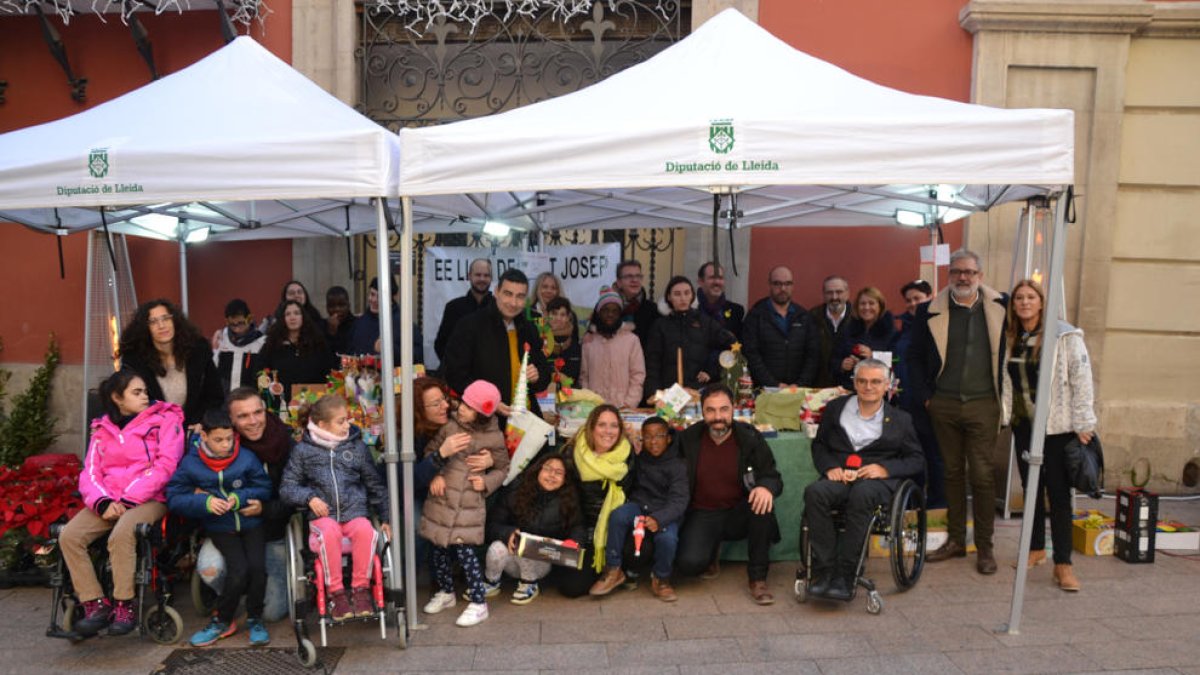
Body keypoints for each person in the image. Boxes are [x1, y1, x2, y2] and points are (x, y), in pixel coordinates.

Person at [61, 370, 184, 637]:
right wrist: (102, 502)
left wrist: (127, 499)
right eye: (136, 392)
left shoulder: (165, 419)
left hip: (150, 498)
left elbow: (166, 466)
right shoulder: (101, 428)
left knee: (123, 533)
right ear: (118, 398)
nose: (145, 396)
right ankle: (94, 604)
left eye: (145, 391)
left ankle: (123, 604)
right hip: (109, 499)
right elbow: (90, 471)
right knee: (69, 535)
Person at [906, 249, 1008, 575]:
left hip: (984, 403)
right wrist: (926, 398)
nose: (963, 277)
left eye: (969, 272)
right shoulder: (929, 311)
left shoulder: (1000, 308)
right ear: (949, 275)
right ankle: (955, 540)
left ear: (980, 275)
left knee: (980, 474)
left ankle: (985, 546)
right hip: (944, 403)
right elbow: (913, 358)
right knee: (950, 472)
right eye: (956, 272)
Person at [803, 358, 925, 601]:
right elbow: (820, 446)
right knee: (814, 492)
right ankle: (824, 570)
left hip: (877, 483)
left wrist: (884, 468)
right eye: (863, 381)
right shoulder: (836, 408)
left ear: (887, 385)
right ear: (855, 383)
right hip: (841, 476)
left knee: (863, 494)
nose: (869, 387)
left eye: (876, 382)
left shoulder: (901, 420)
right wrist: (830, 468)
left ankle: (846, 574)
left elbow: (916, 460)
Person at [1002, 279, 1096, 592]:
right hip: (1024, 425)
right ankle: (1036, 549)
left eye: (1030, 297)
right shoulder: (1013, 336)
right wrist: (1005, 416)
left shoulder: (1064, 335)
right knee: (1031, 490)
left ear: (1042, 302)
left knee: (1058, 496)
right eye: (1019, 298)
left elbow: (1081, 379)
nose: (1024, 302)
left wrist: (1084, 421)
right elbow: (1007, 381)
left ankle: (1064, 565)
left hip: (1056, 428)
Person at [167, 409, 273, 647]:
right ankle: (222, 619)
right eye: (218, 440)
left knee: (258, 570)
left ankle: (256, 618)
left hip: (251, 524)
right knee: (238, 571)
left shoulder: (246, 457)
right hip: (220, 527)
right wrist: (204, 502)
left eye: (229, 439)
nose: (225, 445)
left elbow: (264, 488)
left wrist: (241, 497)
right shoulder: (191, 463)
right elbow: (174, 497)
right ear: (203, 436)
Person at [280, 394, 390, 620]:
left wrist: (386, 517)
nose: (347, 425)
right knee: (329, 533)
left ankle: (360, 590)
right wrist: (309, 498)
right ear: (322, 425)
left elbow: (374, 484)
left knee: (366, 531)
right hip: (323, 517)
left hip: (354, 512)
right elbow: (287, 488)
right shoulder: (303, 451)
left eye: (347, 420)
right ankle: (336, 593)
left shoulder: (357, 448)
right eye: (341, 421)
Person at [674, 385, 782, 605]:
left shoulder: (749, 438)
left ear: (733, 409)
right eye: (711, 410)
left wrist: (765, 487)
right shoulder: (688, 439)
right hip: (702, 513)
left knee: (761, 505)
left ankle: (758, 578)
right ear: (701, 412)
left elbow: (771, 474)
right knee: (688, 565)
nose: (718, 417)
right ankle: (711, 551)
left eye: (724, 409)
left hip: (738, 511)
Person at [419, 380, 510, 627]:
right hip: (442, 500)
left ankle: (479, 603)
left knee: (465, 552)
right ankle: (447, 592)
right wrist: (436, 474)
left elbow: (504, 467)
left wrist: (488, 481)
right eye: (463, 403)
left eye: (470, 408)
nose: (462, 409)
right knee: (437, 548)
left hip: (468, 504)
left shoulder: (493, 436)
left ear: (481, 414)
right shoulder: (449, 426)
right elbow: (430, 451)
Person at [589, 417, 688, 602]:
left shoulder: (677, 465)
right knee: (618, 516)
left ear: (668, 438)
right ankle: (614, 569)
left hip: (665, 512)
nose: (653, 441)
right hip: (640, 505)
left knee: (667, 538)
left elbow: (679, 501)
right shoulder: (640, 458)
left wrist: (659, 518)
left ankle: (662, 578)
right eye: (648, 437)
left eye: (659, 436)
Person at [442, 268, 552, 421]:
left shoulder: (529, 329)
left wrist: (537, 376)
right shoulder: (470, 325)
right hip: (483, 421)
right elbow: (454, 373)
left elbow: (544, 375)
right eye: (508, 294)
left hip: (524, 421)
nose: (513, 303)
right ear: (496, 292)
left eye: (520, 296)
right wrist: (488, 401)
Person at [556, 404, 636, 598]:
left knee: (641, 548)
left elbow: (632, 493)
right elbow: (565, 500)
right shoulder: (573, 452)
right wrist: (579, 536)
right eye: (602, 425)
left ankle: (615, 569)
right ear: (591, 427)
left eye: (614, 426)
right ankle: (605, 569)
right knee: (571, 588)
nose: (608, 431)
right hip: (581, 528)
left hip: (614, 528)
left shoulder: (626, 452)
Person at [484, 454, 584, 605]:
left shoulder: (568, 499)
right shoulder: (516, 490)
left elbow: (578, 526)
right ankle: (491, 582)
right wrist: (506, 533)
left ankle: (529, 584)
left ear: (565, 478)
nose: (552, 475)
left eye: (558, 472)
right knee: (497, 547)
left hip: (542, 562)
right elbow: (493, 523)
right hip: (511, 559)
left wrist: (574, 542)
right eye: (548, 469)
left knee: (528, 544)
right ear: (538, 470)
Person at [119, 298, 223, 429]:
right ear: (145, 328)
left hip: (194, 431)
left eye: (166, 318)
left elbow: (215, 396)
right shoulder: (135, 361)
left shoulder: (198, 351)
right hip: (154, 434)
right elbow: (125, 401)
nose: (161, 326)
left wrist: (203, 422)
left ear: (174, 321)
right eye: (153, 322)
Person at [891, 279, 945, 509]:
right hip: (905, 403)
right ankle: (913, 505)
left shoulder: (938, 324)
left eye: (918, 298)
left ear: (929, 297)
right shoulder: (901, 326)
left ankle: (936, 506)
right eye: (909, 300)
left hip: (929, 401)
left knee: (935, 457)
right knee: (912, 456)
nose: (913, 304)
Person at [643, 276, 735, 402]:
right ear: (669, 297)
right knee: (671, 421)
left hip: (698, 393)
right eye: (677, 294)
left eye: (687, 293)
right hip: (668, 393)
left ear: (692, 296)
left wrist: (712, 371)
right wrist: (653, 394)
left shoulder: (705, 322)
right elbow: (653, 362)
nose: (682, 298)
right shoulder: (660, 325)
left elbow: (732, 347)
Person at [741, 265, 820, 388]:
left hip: (798, 390)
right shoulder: (756, 316)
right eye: (777, 283)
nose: (783, 288)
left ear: (793, 286)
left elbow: (812, 355)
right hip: (766, 390)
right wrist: (773, 384)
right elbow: (751, 354)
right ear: (770, 285)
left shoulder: (804, 317)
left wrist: (801, 384)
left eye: (787, 284)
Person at [259, 300, 338, 403]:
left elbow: (329, 372)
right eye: (288, 314)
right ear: (283, 319)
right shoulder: (272, 345)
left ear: (303, 317)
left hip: (313, 402)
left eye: (297, 313)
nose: (292, 317)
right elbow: (261, 373)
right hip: (280, 405)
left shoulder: (318, 343)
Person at [579, 287, 645, 409]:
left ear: (620, 314)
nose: (610, 314)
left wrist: (629, 403)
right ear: (598, 313)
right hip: (595, 408)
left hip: (624, 408)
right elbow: (584, 377)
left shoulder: (631, 340)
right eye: (605, 310)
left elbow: (638, 375)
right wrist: (589, 404)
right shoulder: (589, 341)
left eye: (615, 311)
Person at [345, 276, 425, 364]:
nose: (374, 300)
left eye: (380, 297)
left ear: (391, 298)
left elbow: (417, 356)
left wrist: (390, 349)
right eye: (372, 294)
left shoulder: (403, 323)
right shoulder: (360, 323)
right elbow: (349, 352)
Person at [831, 287, 896, 389]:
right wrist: (842, 365)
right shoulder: (848, 329)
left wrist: (872, 356)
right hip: (850, 388)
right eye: (862, 304)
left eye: (871, 303)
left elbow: (896, 360)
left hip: (878, 390)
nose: (866, 307)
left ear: (880, 306)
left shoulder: (890, 331)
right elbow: (834, 359)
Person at [434, 258, 493, 363]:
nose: (482, 279)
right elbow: (441, 344)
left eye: (486, 275)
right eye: (478, 275)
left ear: (491, 278)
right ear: (469, 276)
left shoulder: (498, 307)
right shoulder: (453, 308)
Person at [211, 299, 266, 392]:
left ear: (249, 319)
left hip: (250, 398)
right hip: (226, 400)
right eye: (232, 325)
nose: (237, 329)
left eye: (241, 323)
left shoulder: (262, 342)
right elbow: (214, 370)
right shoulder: (222, 339)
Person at [809, 275, 851, 388]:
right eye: (829, 292)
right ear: (823, 294)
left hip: (849, 386)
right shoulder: (812, 317)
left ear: (847, 293)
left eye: (839, 292)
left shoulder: (857, 317)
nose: (834, 297)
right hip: (819, 386)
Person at [613, 259, 659, 347]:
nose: (634, 280)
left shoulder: (652, 309)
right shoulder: (606, 308)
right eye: (629, 276)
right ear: (619, 282)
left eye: (638, 276)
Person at [696, 261, 745, 341]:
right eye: (712, 277)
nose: (717, 282)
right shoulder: (690, 309)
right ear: (701, 282)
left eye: (720, 278)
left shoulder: (736, 312)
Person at [545, 296, 581, 384]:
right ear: (547, 315)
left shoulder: (575, 343)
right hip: (544, 394)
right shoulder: (538, 340)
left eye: (562, 314)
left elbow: (576, 375)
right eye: (554, 313)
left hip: (570, 394)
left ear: (568, 317)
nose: (558, 318)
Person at [324, 285, 357, 355]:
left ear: (348, 305)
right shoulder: (322, 326)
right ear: (327, 307)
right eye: (332, 306)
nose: (337, 309)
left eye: (341, 305)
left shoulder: (357, 325)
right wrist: (331, 333)